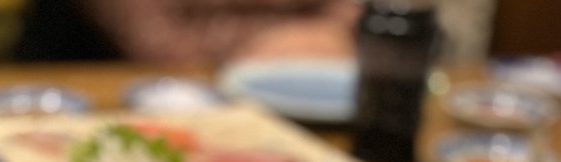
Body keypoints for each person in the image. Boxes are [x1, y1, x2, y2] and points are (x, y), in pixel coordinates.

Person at [70, 0, 362, 65]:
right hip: (181, 85)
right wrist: (249, 55)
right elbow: (148, 28)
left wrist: (332, 29)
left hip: (326, 70)